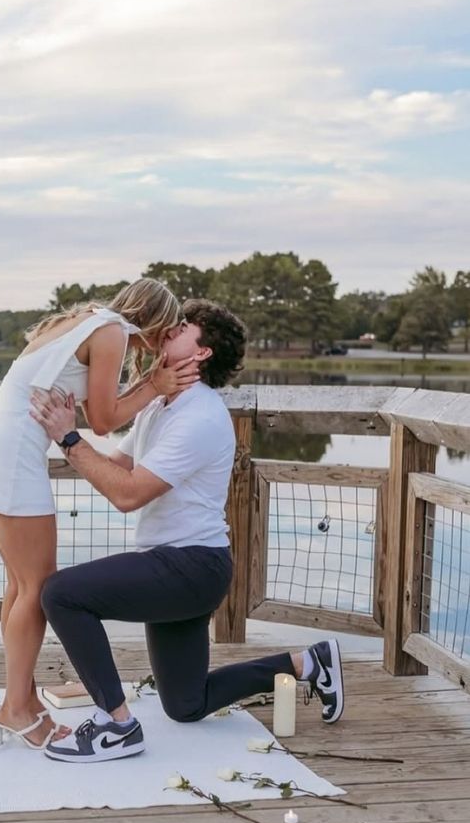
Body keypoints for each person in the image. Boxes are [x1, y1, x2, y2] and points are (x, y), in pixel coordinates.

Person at [31, 299, 345, 763]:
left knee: (61, 594)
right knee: (185, 704)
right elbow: (115, 469)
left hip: (190, 567)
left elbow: (128, 494)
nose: (166, 331)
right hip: (179, 566)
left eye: (181, 329)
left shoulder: (200, 416)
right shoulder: (158, 404)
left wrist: (70, 439)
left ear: (202, 353)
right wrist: (65, 438)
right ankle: (308, 663)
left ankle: (117, 726)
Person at [0, 278, 200, 750]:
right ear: (155, 319)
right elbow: (104, 421)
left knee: (19, 586)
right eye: (167, 329)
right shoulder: (110, 333)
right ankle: (17, 708)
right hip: (14, 460)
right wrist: (157, 385)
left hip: (2, 450)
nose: (163, 341)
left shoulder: (87, 322)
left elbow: (92, 412)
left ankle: (18, 699)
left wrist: (146, 384)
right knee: (38, 588)